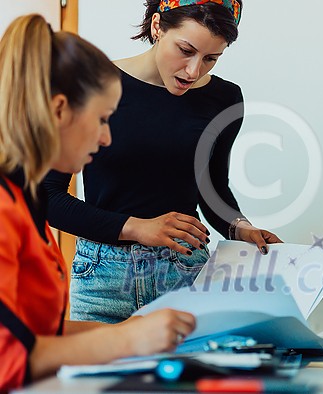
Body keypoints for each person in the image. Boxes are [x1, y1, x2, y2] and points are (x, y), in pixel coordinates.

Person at [43, 0, 283, 325]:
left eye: (211, 58)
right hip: (103, 278)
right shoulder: (92, 85)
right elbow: (47, 197)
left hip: (185, 272)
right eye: (185, 50)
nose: (194, 71)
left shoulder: (225, 98)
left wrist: (240, 228)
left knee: (192, 376)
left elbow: (212, 189)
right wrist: (138, 228)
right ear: (157, 26)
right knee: (98, 377)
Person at [0, 14, 195, 392]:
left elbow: (39, 333)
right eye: (102, 119)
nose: (106, 138)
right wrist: (127, 341)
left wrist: (132, 330)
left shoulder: (21, 204)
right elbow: (7, 358)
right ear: (59, 111)